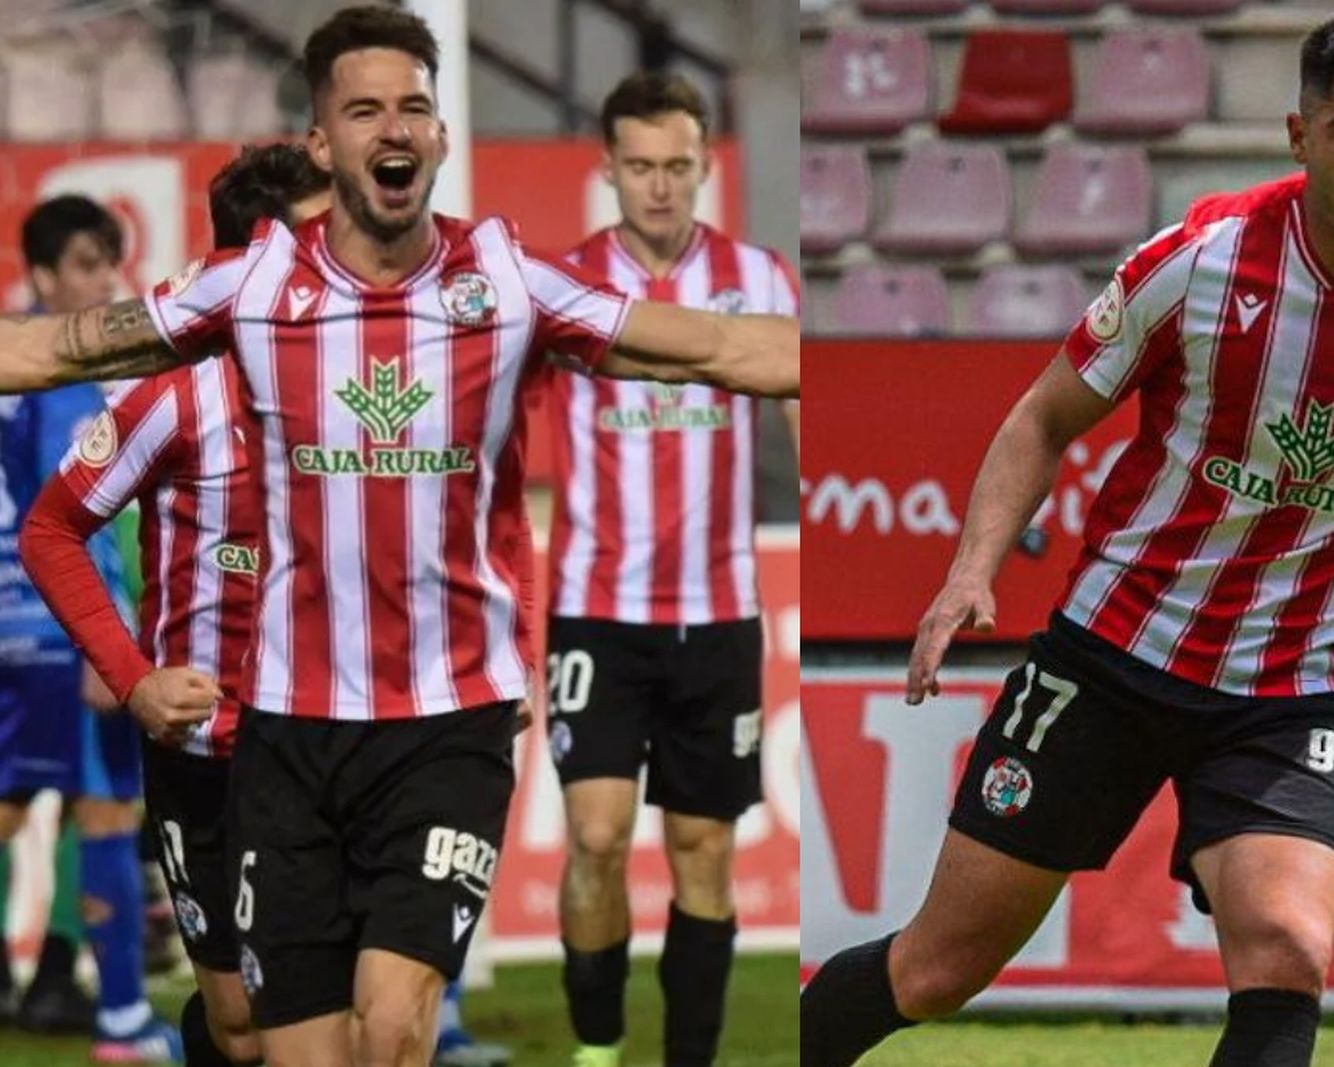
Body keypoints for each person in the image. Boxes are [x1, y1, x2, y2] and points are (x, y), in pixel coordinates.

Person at [0, 7, 795, 1066]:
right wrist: (135, 670)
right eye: (365, 106)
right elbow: (56, 351)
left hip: (443, 724)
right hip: (282, 732)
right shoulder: (246, 295)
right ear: (324, 144)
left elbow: (711, 345)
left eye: (414, 105)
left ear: (439, 136)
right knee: (275, 1043)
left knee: (394, 1024)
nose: (396, 125)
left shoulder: (504, 283)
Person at [800, 13, 1334, 1067]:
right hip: (1110, 656)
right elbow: (1041, 418)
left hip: (1289, 685)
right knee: (934, 970)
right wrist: (967, 570)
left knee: (1288, 946)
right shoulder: (1201, 260)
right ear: (1299, 136)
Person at [21, 143, 333, 1067]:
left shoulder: (379, 382)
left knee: (357, 1015)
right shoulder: (176, 393)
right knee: (239, 1029)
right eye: (322, 236)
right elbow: (53, 529)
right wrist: (131, 673)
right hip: (208, 745)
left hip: (343, 740)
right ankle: (97, 995)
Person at [546, 71, 799, 1067]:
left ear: (707, 167)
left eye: (678, 167)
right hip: (593, 607)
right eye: (640, 167)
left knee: (703, 848)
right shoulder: (561, 284)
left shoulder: (760, 279)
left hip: (719, 611)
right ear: (607, 169)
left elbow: (799, 410)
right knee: (598, 836)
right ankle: (598, 1044)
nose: (659, 187)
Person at [0, 195, 181, 1061]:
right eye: (82, 263)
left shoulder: (8, 358)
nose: (103, 280)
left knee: (6, 812)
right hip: (63, 631)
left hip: (6, 627)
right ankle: (121, 1021)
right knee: (108, 812)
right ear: (39, 275)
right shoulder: (69, 371)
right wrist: (106, 641)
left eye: (108, 260)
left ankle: (29, 983)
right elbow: (69, 512)